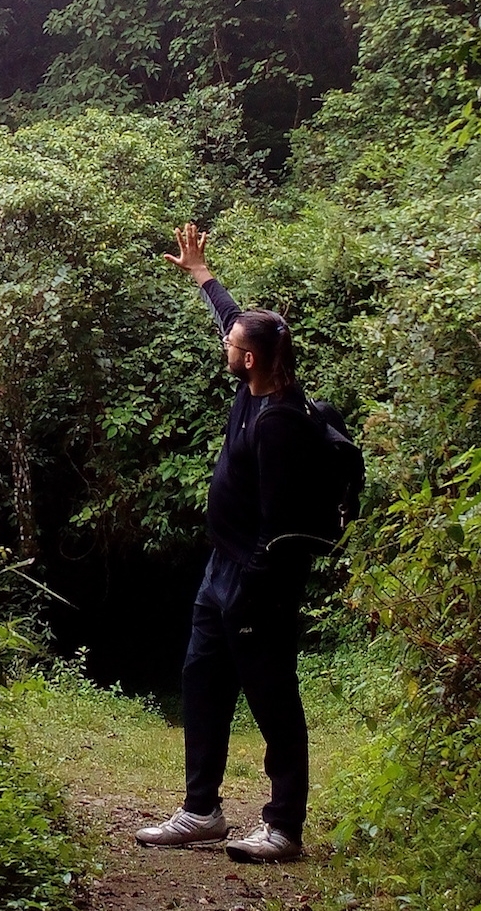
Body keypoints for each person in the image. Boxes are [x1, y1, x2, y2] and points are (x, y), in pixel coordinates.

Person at [135, 222, 328, 863]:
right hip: (221, 570)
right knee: (202, 683)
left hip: (255, 581)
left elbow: (282, 521)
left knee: (273, 697)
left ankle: (283, 825)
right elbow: (235, 320)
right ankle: (201, 811)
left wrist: (257, 587)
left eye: (232, 343)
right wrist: (202, 275)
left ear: (248, 358)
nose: (225, 343)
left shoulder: (278, 424)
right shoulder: (257, 380)